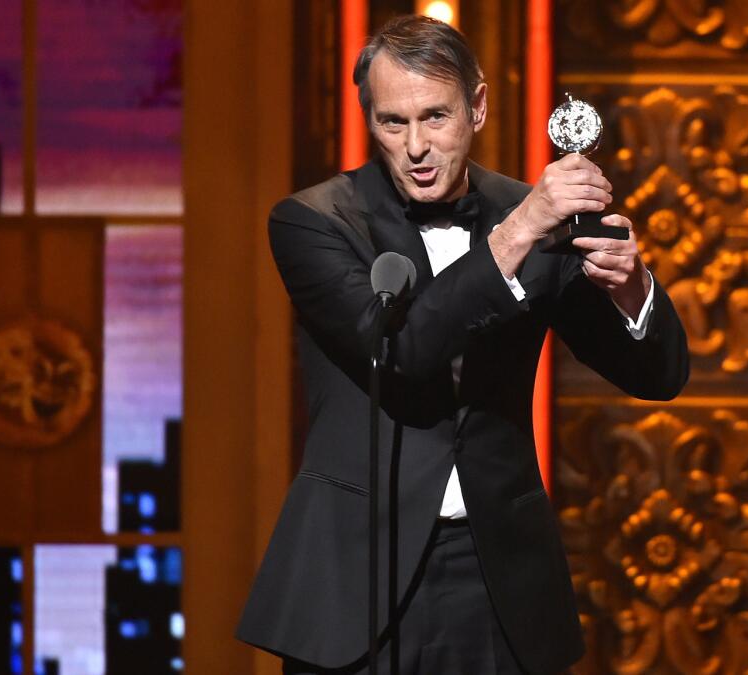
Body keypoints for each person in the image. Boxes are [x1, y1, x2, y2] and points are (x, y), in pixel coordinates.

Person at [236, 15, 688, 675]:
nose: (416, 145)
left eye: (435, 117)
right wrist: (515, 235)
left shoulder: (534, 216)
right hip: (356, 575)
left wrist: (633, 288)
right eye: (394, 122)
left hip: (497, 574)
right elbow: (401, 351)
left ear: (477, 107)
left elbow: (657, 376)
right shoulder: (315, 221)